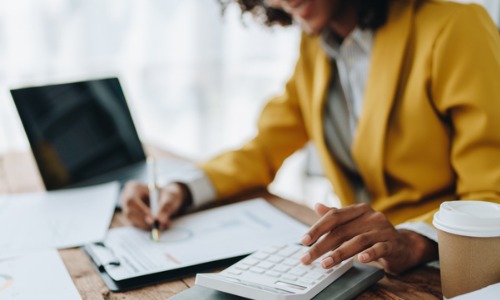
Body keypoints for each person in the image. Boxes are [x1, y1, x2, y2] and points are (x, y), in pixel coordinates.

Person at [121, 0, 500, 274]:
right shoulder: (317, 45)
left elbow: (491, 197)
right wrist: (181, 190)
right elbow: (264, 148)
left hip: (446, 269)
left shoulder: (455, 27)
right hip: (359, 265)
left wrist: (413, 239)